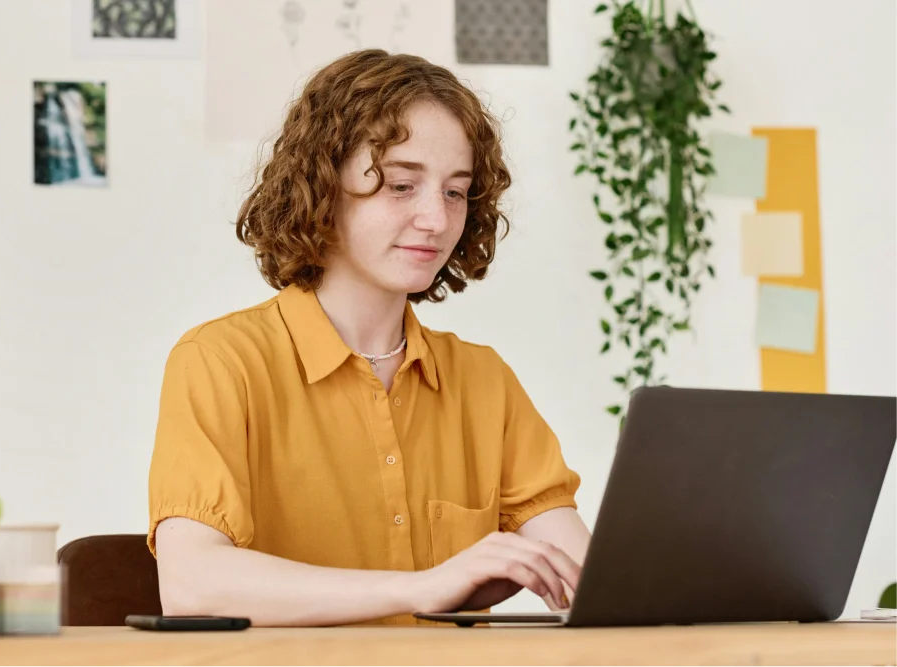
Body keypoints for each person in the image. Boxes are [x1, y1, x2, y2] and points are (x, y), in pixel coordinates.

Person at [147, 49, 590, 627]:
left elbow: (584, 571)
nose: (436, 219)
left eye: (456, 192)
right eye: (402, 185)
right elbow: (192, 584)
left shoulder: (485, 382)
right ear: (322, 185)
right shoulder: (220, 362)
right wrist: (424, 588)